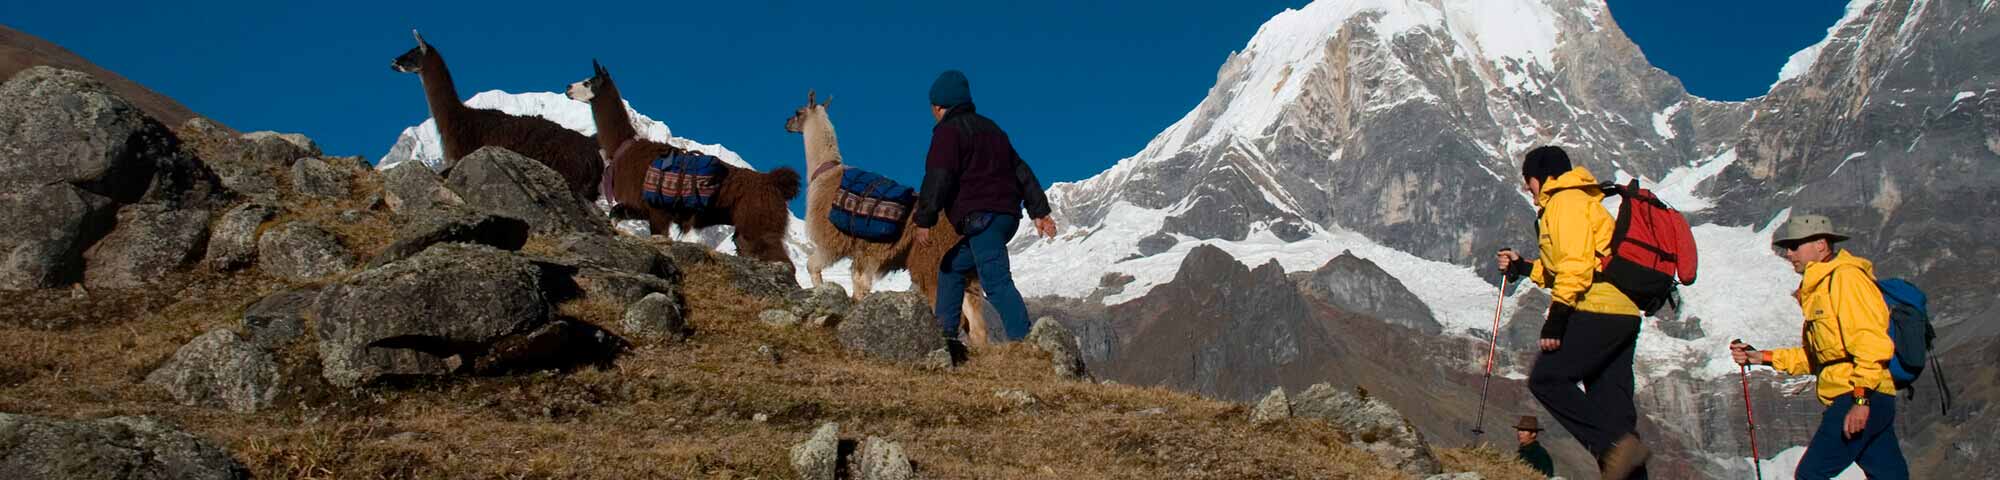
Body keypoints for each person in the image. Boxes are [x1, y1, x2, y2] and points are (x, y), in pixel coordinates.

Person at [1495, 146, 1649, 479]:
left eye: (1528, 180)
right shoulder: (1581, 200)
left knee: (1547, 379)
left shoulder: (1565, 202)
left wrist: (1558, 318)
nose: (1527, 188)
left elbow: (1576, 267)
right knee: (1615, 413)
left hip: (1596, 308)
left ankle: (1615, 446)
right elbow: (1568, 266)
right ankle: (1625, 457)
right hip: (1622, 313)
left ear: (1541, 177)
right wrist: (1523, 267)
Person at [1731, 214, 1907, 479]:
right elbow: (1821, 359)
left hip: (1858, 394)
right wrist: (1761, 357)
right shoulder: (1820, 287)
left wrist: (1860, 401)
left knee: (1810, 474)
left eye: (1795, 246)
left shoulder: (1846, 279)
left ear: (1821, 245)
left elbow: (1871, 343)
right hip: (1868, 395)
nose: (1789, 254)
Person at [912, 70, 1058, 344]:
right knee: (951, 267)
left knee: (995, 281)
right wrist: (1039, 211)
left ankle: (1024, 345)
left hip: (982, 216)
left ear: (939, 106)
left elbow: (938, 176)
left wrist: (925, 219)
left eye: (932, 107)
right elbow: (1021, 171)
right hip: (1004, 217)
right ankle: (945, 338)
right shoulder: (993, 130)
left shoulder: (947, 132)